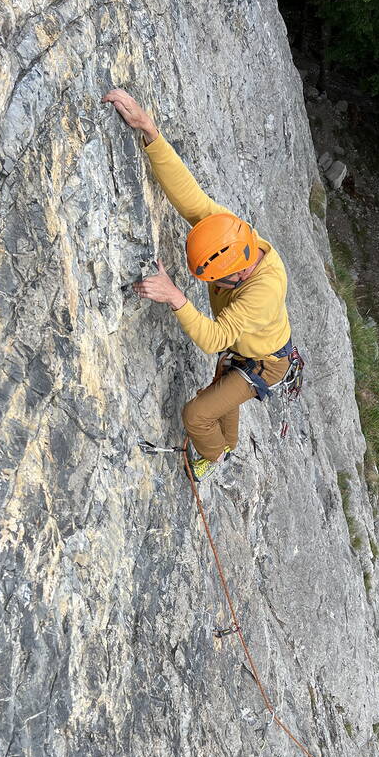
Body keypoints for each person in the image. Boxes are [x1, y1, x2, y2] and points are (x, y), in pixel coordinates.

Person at [102, 89, 297, 482]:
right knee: (226, 389)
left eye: (213, 280)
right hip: (249, 352)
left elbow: (214, 337)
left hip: (266, 362)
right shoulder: (232, 236)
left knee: (195, 415)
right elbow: (190, 198)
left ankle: (214, 454)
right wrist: (150, 133)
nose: (209, 284)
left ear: (238, 275)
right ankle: (228, 441)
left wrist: (175, 296)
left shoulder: (262, 290)